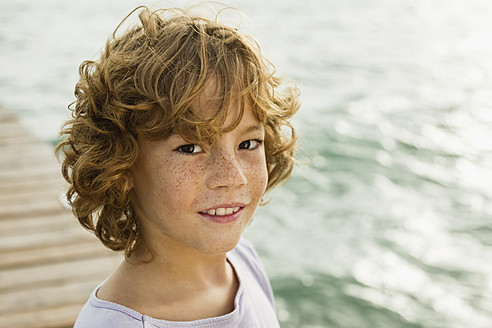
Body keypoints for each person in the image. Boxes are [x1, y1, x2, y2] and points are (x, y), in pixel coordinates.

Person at [56, 5, 299, 327]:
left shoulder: (242, 259)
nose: (232, 176)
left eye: (248, 144)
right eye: (190, 147)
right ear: (121, 166)